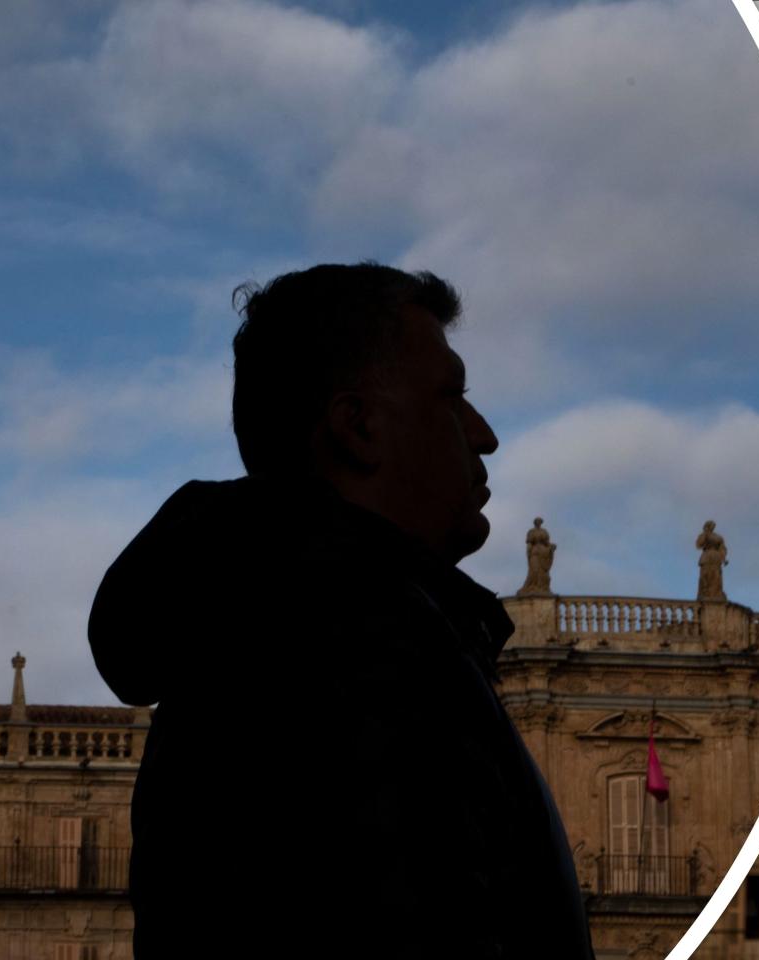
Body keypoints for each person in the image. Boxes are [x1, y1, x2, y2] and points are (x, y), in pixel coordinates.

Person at [88, 263, 594, 958]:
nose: (483, 434)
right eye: (451, 397)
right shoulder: (352, 657)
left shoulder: (299, 628)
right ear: (357, 428)